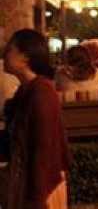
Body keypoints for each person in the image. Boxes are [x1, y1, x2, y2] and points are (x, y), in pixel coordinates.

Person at [2, 29, 71, 208]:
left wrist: (37, 198)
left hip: (41, 185)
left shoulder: (41, 92)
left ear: (25, 56)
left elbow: (44, 148)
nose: (4, 54)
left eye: (10, 49)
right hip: (25, 179)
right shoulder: (25, 91)